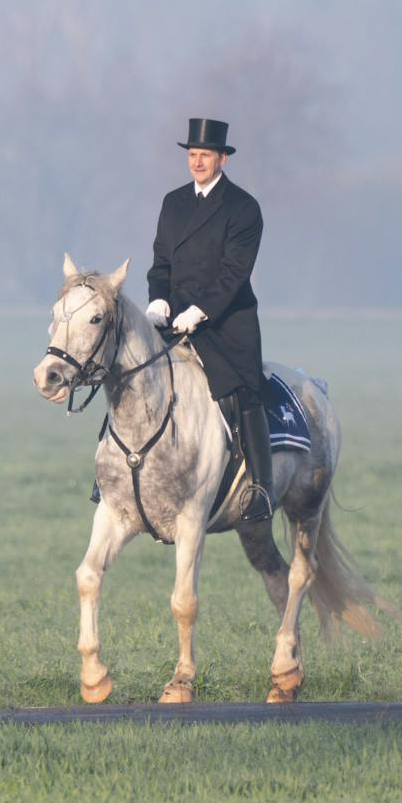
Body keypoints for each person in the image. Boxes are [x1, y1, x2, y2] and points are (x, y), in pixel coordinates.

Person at [144, 117, 274, 524]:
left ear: (222, 159)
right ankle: (111, 475)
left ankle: (259, 488)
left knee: (245, 391)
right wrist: (158, 301)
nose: (197, 162)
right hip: (173, 318)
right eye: (192, 155)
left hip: (224, 323)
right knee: (129, 375)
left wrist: (198, 312)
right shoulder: (173, 202)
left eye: (205, 156)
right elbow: (161, 261)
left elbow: (234, 274)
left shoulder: (243, 208)